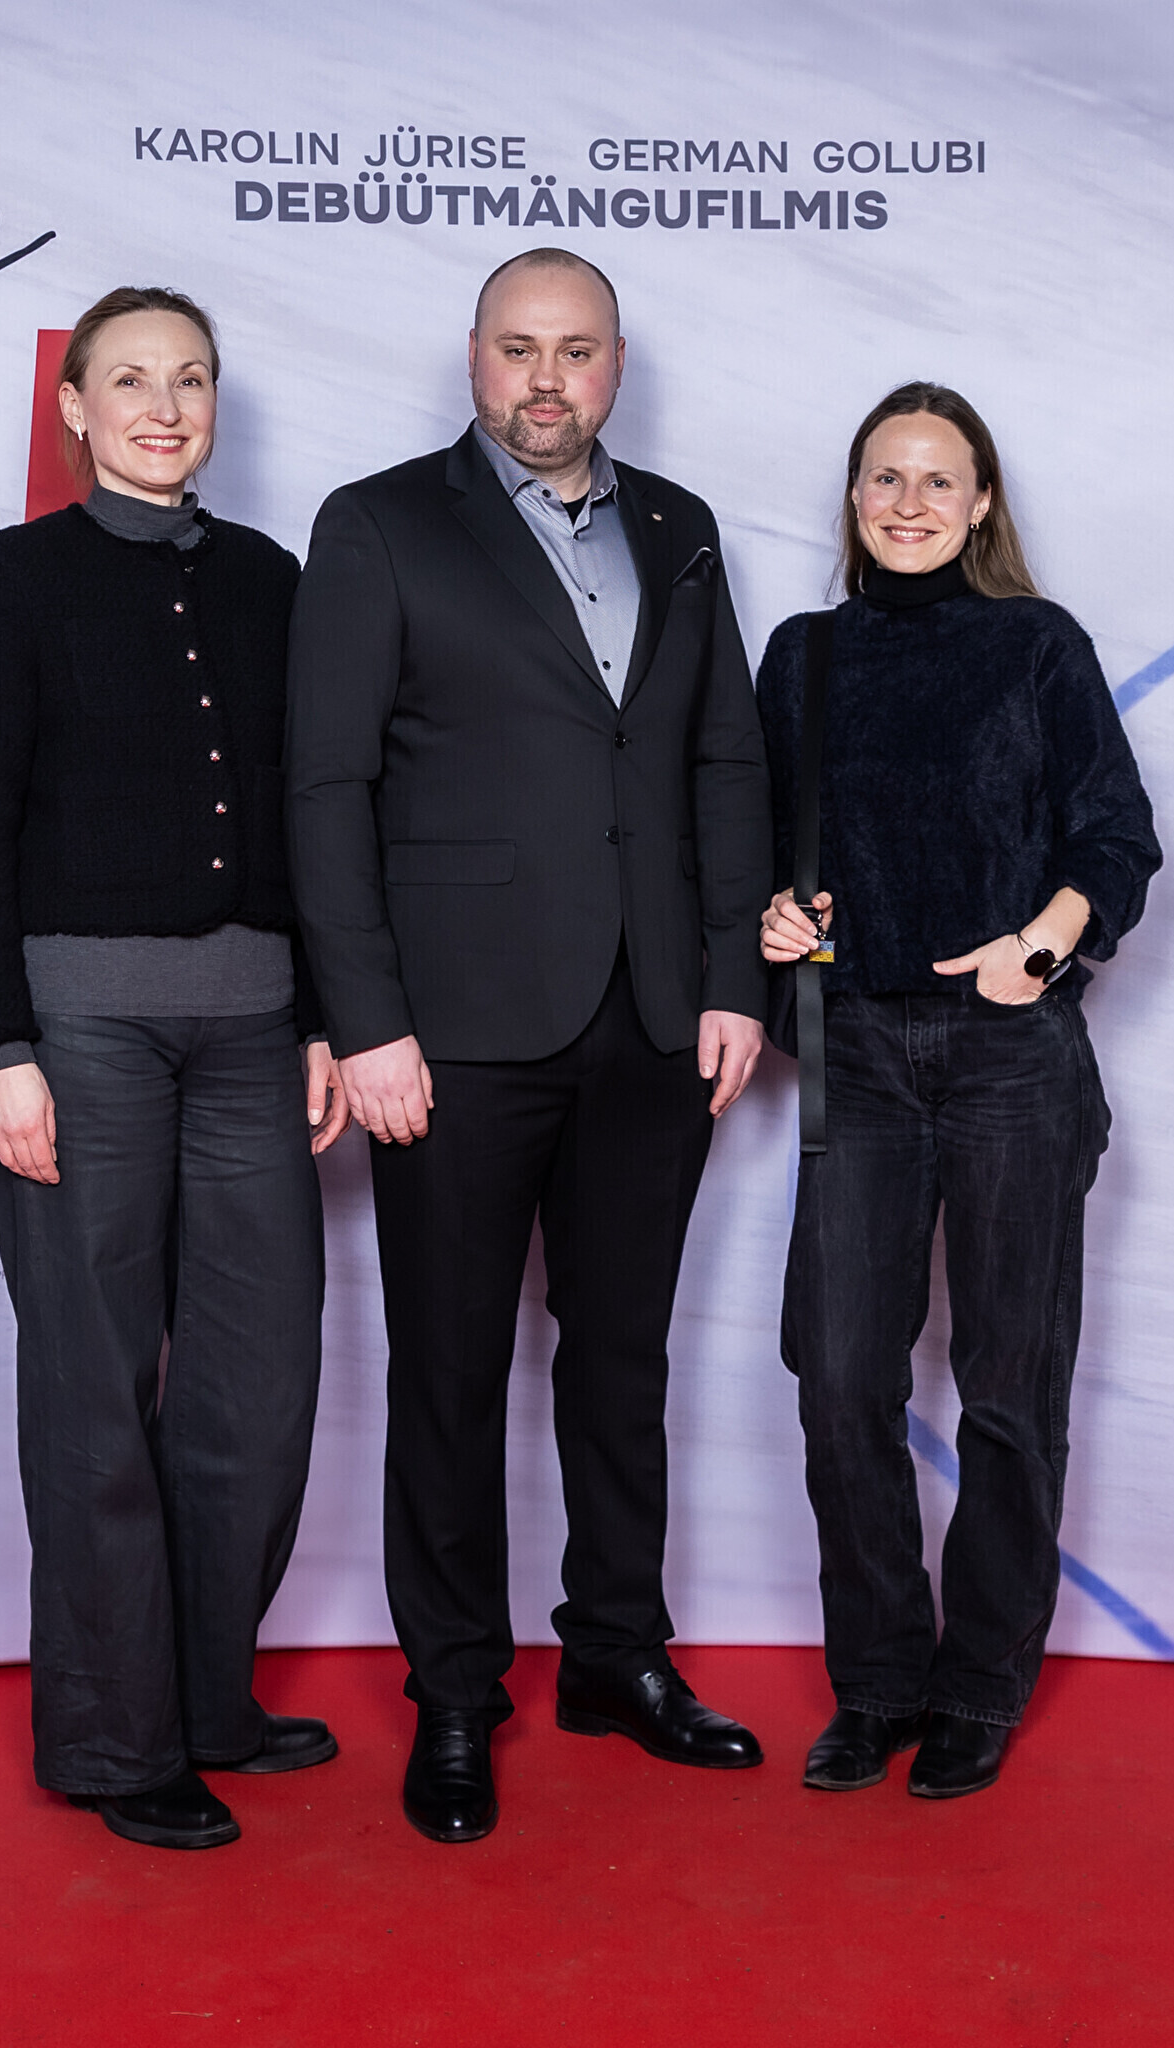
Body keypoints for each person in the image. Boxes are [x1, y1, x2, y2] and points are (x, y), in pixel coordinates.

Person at [286, 246, 774, 1845]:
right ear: (474, 358)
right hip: (454, 1031)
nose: (545, 380)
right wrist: (366, 1021)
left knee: (622, 1358)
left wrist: (734, 979)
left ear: (616, 364)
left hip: (653, 1019)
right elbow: (327, 790)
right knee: (448, 1369)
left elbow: (722, 761)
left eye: (575, 350)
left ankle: (618, 1654)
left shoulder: (681, 529)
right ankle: (455, 1690)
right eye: (518, 349)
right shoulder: (378, 525)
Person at [0, 286, 351, 1853]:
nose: (164, 407)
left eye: (190, 380)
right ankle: (116, 1742)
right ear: (74, 407)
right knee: (95, 1388)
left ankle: (206, 1697)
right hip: (80, 1031)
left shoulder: (268, 580)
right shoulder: (15, 578)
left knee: (259, 1382)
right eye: (131, 381)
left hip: (254, 1028)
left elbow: (310, 814)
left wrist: (322, 1015)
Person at [756, 384, 1161, 1800]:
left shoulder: (1039, 645)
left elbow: (1118, 837)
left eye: (941, 479)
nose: (911, 503)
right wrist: (776, 916)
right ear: (853, 496)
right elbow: (761, 849)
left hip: (1009, 1054)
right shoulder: (803, 655)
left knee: (1008, 1382)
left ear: (982, 502)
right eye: (887, 477)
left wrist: (1037, 947)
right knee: (839, 1375)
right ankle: (878, 1681)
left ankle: (982, 1683)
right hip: (857, 1054)